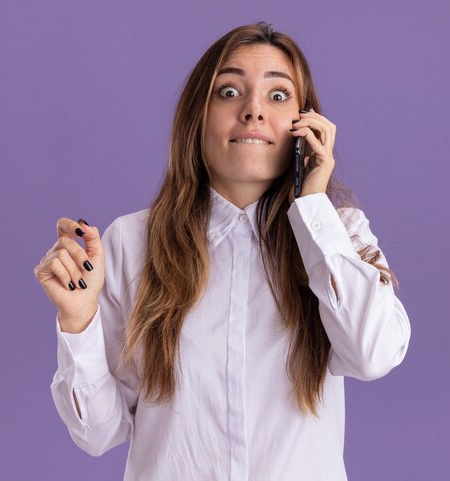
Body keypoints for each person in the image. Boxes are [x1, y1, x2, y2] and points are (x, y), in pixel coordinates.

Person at [34, 21, 411, 481]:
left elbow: (373, 354)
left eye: (277, 96)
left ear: (306, 125)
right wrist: (78, 321)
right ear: (199, 116)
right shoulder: (132, 243)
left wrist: (313, 206)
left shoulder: (338, 234)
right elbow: (98, 433)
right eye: (229, 92)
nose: (253, 110)